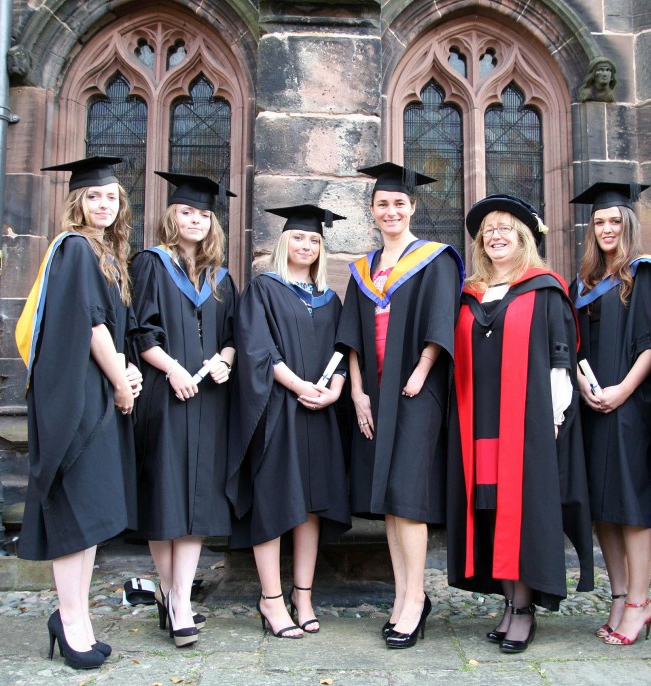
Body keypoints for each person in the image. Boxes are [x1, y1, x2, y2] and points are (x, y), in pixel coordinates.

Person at [446, 194, 594, 654]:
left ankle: (524, 608)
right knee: (491, 509)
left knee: (523, 512)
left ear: (524, 236)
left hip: (526, 421)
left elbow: (559, 358)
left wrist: (554, 414)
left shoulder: (544, 288)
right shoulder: (470, 292)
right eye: (488, 230)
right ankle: (510, 602)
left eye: (505, 228)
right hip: (478, 421)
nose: (495, 236)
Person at [16, 156, 143, 669]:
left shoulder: (105, 254)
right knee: (74, 513)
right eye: (94, 196)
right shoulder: (74, 248)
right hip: (78, 401)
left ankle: (77, 618)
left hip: (96, 393)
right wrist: (122, 383)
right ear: (77, 202)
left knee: (88, 514)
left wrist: (126, 369)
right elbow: (92, 327)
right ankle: (70, 620)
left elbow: (111, 329)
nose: (104, 204)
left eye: (112, 197)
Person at [336, 162, 463, 649]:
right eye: (382, 204)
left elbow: (442, 319)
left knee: (408, 499)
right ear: (372, 210)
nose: (390, 211)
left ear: (413, 207)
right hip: (374, 393)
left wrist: (422, 369)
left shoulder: (435, 259)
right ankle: (402, 596)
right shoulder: (362, 269)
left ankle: (415, 598)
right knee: (389, 503)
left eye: (398, 203)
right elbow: (350, 335)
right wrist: (357, 391)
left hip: (415, 391)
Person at [228, 205, 353, 639]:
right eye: (299, 238)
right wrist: (299, 386)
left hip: (321, 411)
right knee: (274, 500)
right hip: (278, 409)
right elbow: (257, 349)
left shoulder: (329, 298)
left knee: (312, 503)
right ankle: (271, 599)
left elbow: (343, 351)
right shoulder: (263, 289)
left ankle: (303, 596)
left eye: (314, 240)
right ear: (284, 243)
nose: (306, 245)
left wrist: (335, 389)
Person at [129, 172, 238, 648]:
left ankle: (177, 598)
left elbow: (234, 336)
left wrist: (225, 362)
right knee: (165, 494)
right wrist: (173, 369)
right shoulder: (150, 264)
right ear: (172, 216)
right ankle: (173, 595)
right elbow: (139, 330)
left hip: (209, 399)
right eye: (187, 212)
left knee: (197, 498)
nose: (195, 220)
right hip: (163, 393)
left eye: (204, 214)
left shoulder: (220, 278)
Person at [571, 182, 651, 646]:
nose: (606, 228)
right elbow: (573, 345)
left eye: (614, 221)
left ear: (628, 224)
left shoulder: (643, 274)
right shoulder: (583, 284)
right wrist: (583, 385)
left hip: (630, 408)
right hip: (592, 406)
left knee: (631, 508)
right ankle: (618, 596)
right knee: (603, 508)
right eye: (599, 222)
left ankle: (639, 602)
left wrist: (624, 390)